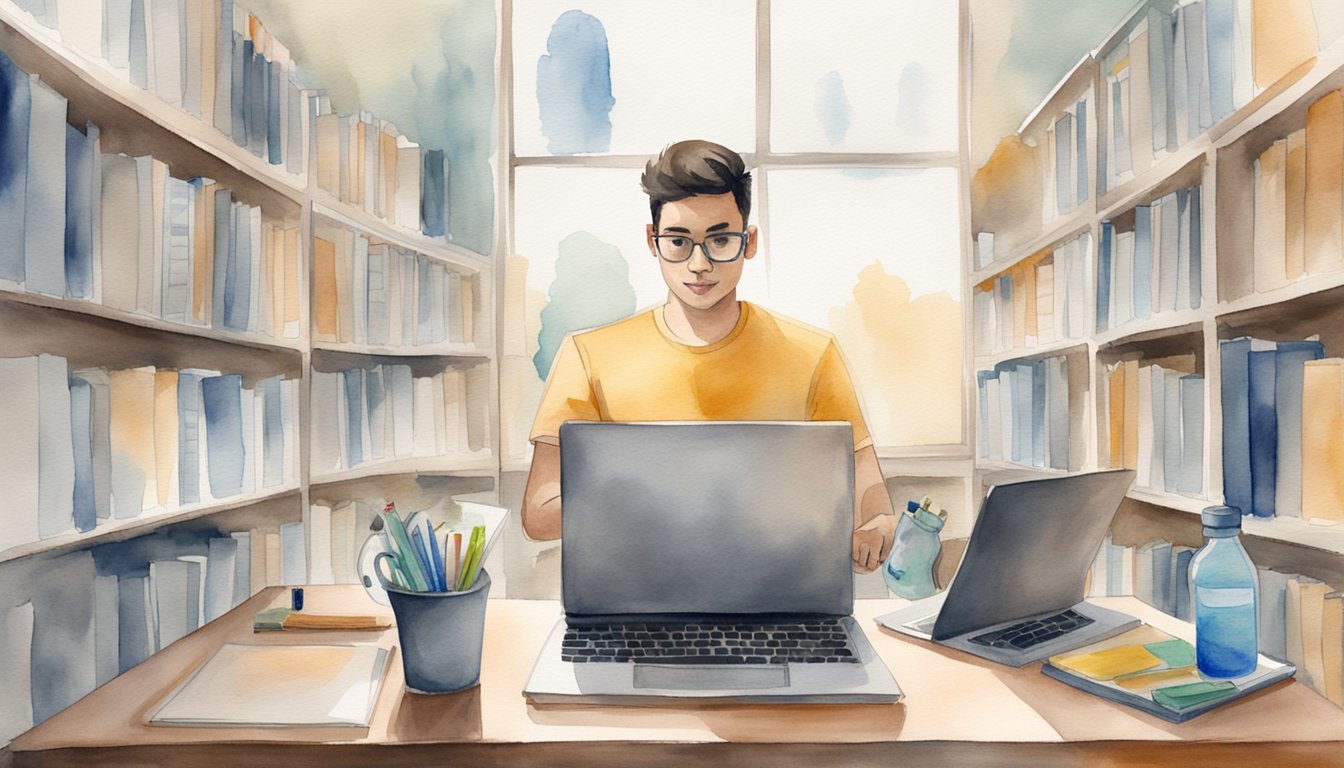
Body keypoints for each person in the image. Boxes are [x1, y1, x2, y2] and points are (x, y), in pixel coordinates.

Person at [521, 139, 898, 572]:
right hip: (637, 598)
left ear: (749, 242)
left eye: (719, 240)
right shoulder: (588, 355)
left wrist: (877, 527)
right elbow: (539, 515)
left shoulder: (812, 353)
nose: (699, 264)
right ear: (652, 240)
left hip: (777, 592)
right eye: (679, 242)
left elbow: (872, 501)